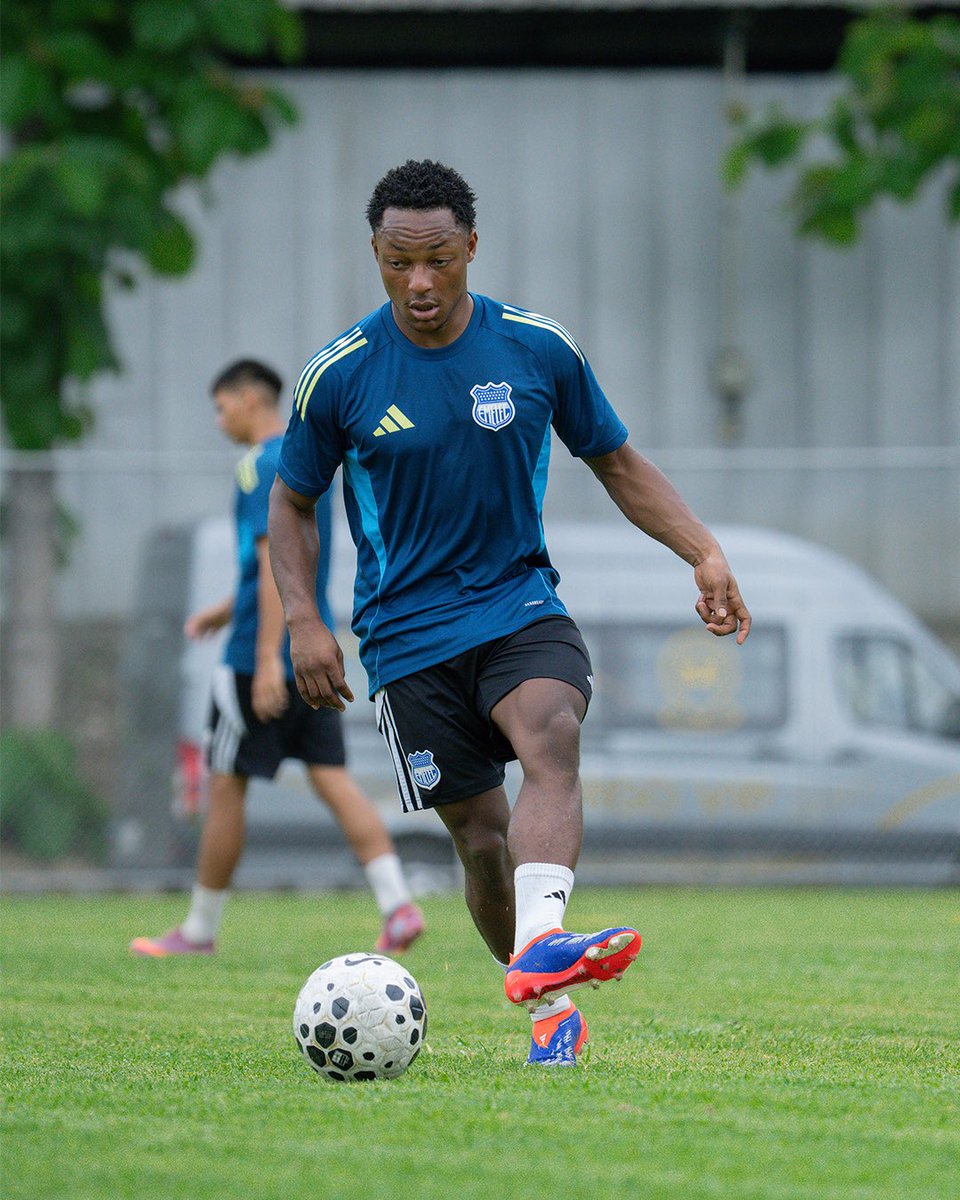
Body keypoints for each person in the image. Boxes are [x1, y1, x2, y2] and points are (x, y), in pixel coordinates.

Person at [267, 160, 751, 1066]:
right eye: (399, 262)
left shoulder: (536, 349)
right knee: (482, 844)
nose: (420, 283)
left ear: (471, 250)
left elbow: (615, 459)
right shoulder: (339, 375)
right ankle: (547, 1001)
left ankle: (543, 966)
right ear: (375, 253)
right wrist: (302, 618)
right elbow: (290, 505)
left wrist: (704, 551)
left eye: (440, 261)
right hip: (405, 637)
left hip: (517, 601)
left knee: (550, 729)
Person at [130, 359, 424, 958]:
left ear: (247, 399)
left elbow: (272, 563)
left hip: (259, 659)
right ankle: (397, 905)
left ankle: (199, 931)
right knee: (332, 778)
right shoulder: (302, 455)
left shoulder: (257, 465)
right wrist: (224, 608)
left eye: (221, 407)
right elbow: (283, 568)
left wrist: (265, 659)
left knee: (226, 784)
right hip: (312, 652)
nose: (219, 421)